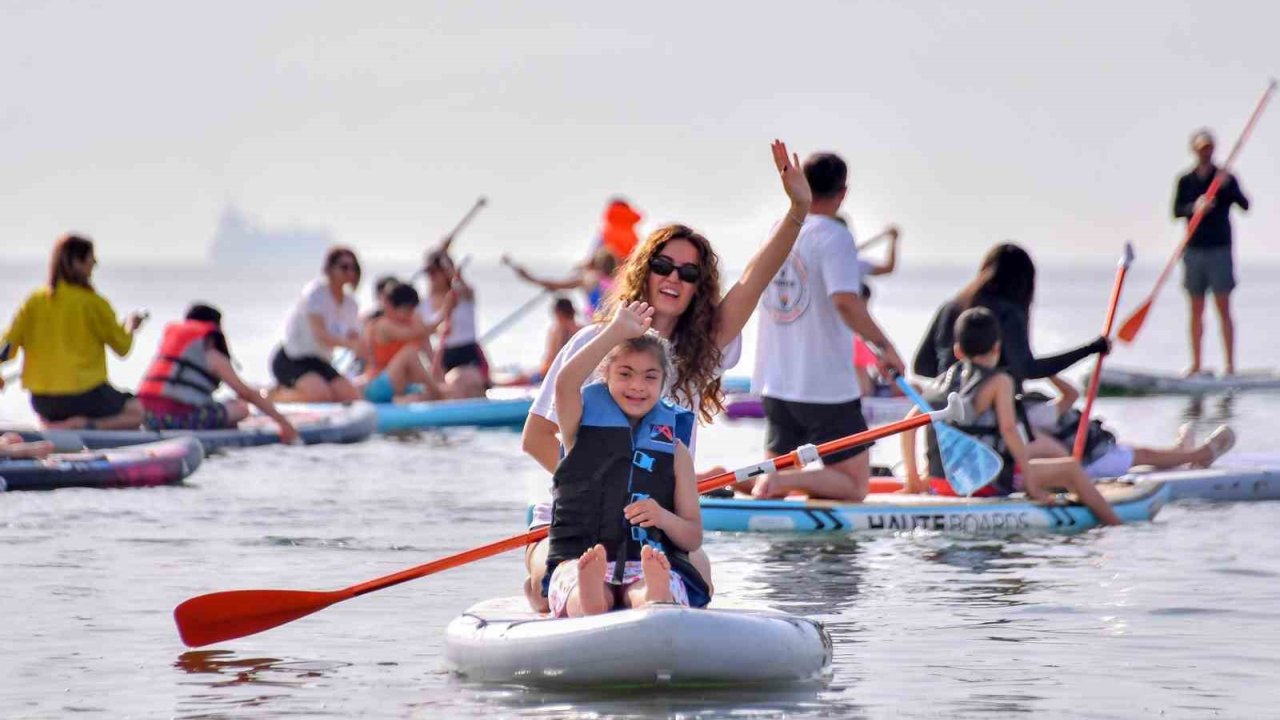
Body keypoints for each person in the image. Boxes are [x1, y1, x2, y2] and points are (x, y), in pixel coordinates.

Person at [520, 139, 813, 612]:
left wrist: (798, 209)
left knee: (702, 584)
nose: (674, 278)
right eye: (662, 266)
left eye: (689, 273)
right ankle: (556, 578)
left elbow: (756, 277)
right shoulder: (594, 344)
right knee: (539, 592)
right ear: (645, 270)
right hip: (578, 516)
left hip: (658, 518)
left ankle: (642, 595)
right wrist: (603, 489)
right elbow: (536, 438)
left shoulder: (706, 349)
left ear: (700, 286)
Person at [748, 152, 906, 502]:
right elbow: (846, 302)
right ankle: (780, 482)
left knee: (777, 473)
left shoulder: (780, 229)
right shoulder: (835, 236)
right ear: (843, 193)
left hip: (776, 382)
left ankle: (758, 481)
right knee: (853, 486)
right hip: (825, 388)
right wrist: (886, 347)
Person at [543, 301, 707, 617]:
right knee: (578, 583)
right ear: (606, 375)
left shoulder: (675, 451)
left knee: (649, 583)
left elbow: (692, 535)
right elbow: (565, 382)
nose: (636, 386)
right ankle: (590, 597)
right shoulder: (577, 426)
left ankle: (653, 594)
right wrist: (614, 332)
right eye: (625, 373)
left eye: (649, 377)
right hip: (582, 558)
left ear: (662, 383)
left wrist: (662, 517)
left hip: (647, 559)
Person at [901, 308, 1122, 525]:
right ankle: (1115, 525)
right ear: (997, 348)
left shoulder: (940, 383)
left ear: (958, 351)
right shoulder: (999, 382)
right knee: (1071, 468)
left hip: (940, 483)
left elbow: (908, 426)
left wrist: (913, 479)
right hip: (985, 483)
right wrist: (1031, 482)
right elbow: (1008, 430)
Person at [912, 243, 1108, 392]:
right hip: (991, 416)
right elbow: (1027, 368)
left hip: (946, 410)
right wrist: (1091, 349)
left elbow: (921, 366)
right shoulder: (1008, 313)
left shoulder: (951, 307)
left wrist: (955, 379)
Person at [0, 235, 146, 429]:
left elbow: (6, 348)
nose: (95, 263)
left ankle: (55, 426)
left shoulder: (34, 301)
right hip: (85, 396)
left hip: (43, 402)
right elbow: (122, 347)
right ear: (76, 262)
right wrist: (130, 325)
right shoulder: (93, 303)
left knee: (55, 411)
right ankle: (84, 424)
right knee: (137, 411)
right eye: (90, 258)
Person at [137, 304, 300, 442]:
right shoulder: (211, 353)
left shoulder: (174, 347)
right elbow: (246, 393)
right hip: (178, 419)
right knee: (241, 408)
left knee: (222, 406)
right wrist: (284, 423)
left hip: (146, 416)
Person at [1022, 375, 1235, 475]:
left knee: (1135, 451)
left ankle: (1180, 452)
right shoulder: (1032, 414)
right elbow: (1072, 394)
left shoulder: (1024, 413)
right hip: (1087, 464)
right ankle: (1198, 455)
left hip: (1085, 458)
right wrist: (1044, 370)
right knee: (1141, 455)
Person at [1174, 129, 1250, 377]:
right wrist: (1194, 207)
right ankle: (1196, 364)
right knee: (1195, 309)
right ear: (1194, 149)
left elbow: (1245, 205)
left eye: (1209, 147)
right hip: (1194, 250)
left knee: (1223, 307)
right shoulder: (1186, 180)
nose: (1205, 152)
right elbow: (1176, 211)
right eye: (1201, 147)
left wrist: (1229, 187)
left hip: (1219, 250)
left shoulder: (1224, 177)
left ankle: (1230, 365)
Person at [270, 247, 363, 403]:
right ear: (330, 269)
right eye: (344, 267)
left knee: (351, 397)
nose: (349, 272)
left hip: (320, 361)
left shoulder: (351, 304)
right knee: (320, 396)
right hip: (293, 358)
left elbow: (354, 336)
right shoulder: (315, 293)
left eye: (353, 268)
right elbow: (320, 334)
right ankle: (273, 396)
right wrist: (349, 344)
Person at [359, 284, 442, 403]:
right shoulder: (383, 325)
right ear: (390, 307)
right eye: (407, 310)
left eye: (412, 310)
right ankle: (438, 394)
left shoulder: (410, 325)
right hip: (377, 384)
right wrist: (445, 312)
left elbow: (425, 339)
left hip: (401, 385)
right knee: (409, 353)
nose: (410, 315)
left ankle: (430, 394)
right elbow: (419, 333)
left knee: (432, 391)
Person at [420, 249, 487, 378]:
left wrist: (449, 268)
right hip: (443, 355)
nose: (431, 277)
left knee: (460, 382)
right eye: (429, 273)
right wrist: (445, 311)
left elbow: (461, 285)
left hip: (468, 352)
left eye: (435, 272)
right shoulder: (425, 303)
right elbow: (425, 332)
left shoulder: (464, 295)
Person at [504, 247, 619, 319]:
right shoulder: (618, 281)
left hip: (596, 324)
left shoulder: (589, 278)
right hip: (613, 322)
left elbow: (555, 284)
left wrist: (529, 277)